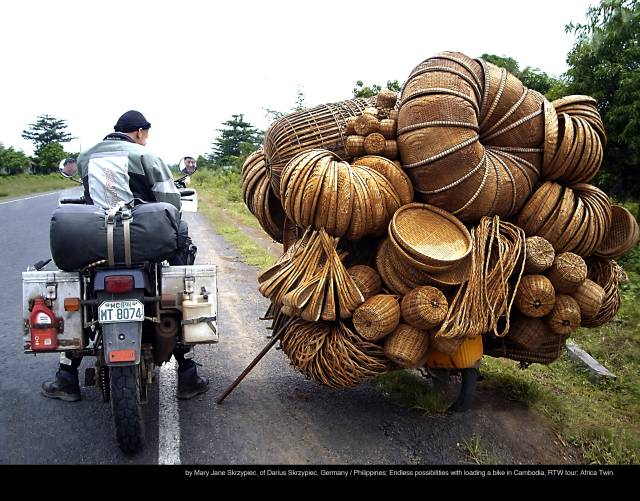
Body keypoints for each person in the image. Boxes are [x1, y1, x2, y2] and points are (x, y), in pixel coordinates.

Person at [42, 110, 208, 402]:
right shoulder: (147, 157)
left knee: (79, 294)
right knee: (179, 285)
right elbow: (170, 204)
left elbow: (90, 196)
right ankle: (187, 373)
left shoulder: (86, 157)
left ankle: (66, 376)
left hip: (95, 245)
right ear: (141, 132)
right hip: (143, 246)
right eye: (146, 134)